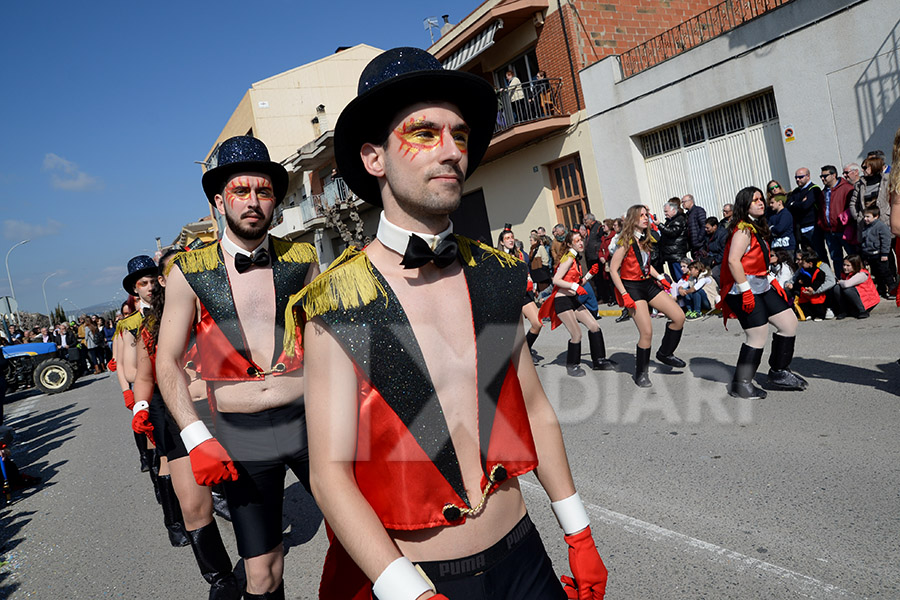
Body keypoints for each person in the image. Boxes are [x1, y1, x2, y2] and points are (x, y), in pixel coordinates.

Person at [299, 47, 607, 600]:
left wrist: (578, 531)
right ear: (374, 159)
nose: (450, 151)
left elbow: (532, 410)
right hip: (420, 579)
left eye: (459, 135)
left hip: (524, 555)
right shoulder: (335, 300)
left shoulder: (495, 273)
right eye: (423, 132)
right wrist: (407, 593)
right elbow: (329, 474)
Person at [156, 136, 320, 600]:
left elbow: (331, 341)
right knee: (263, 573)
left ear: (275, 202)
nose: (253, 202)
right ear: (218, 201)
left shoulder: (303, 259)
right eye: (240, 191)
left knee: (367, 535)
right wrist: (195, 436)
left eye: (263, 192)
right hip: (241, 433)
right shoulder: (188, 271)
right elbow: (166, 360)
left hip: (310, 421)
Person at [131, 249, 241, 599]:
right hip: (177, 417)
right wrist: (141, 406)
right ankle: (220, 578)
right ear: (165, 281)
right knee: (194, 506)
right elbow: (145, 376)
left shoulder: (222, 309)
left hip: (227, 410)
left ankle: (260, 557)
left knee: (247, 494)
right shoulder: (150, 327)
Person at [718, 187, 807, 399]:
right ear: (744, 206)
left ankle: (778, 371)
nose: (761, 203)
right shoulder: (742, 229)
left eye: (761, 199)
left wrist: (770, 279)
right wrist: (746, 292)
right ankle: (741, 383)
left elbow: (758, 260)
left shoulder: (755, 225)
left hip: (760, 284)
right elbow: (733, 261)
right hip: (742, 288)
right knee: (757, 335)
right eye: (755, 200)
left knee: (788, 323)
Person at [609, 205, 686, 387]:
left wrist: (661, 277)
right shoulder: (625, 241)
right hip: (632, 287)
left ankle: (665, 353)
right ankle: (640, 373)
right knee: (647, 332)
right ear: (632, 219)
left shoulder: (645, 239)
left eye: (646, 215)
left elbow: (644, 264)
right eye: (641, 215)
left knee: (679, 317)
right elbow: (613, 270)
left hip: (647, 284)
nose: (645, 218)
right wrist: (624, 294)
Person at [539, 230, 615, 376]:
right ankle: (572, 365)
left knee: (594, 326)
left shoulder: (575, 259)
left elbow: (578, 282)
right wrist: (575, 287)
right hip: (562, 301)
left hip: (573, 299)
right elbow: (556, 280)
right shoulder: (568, 258)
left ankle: (599, 360)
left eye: (581, 239)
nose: (581, 242)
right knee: (577, 334)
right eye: (577, 241)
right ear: (569, 244)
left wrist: (589, 274)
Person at [114, 256, 160, 477]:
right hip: (150, 390)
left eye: (153, 281)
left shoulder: (174, 310)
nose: (150, 287)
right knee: (159, 450)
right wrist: (128, 392)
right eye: (144, 283)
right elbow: (126, 367)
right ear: (135, 288)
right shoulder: (129, 324)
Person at [499, 228, 545, 361]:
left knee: (537, 323)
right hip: (510, 297)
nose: (511, 240)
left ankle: (526, 349)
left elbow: (526, 271)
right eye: (507, 238)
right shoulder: (499, 257)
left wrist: (530, 281)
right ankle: (517, 356)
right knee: (515, 331)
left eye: (512, 237)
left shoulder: (519, 254)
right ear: (502, 242)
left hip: (524, 294)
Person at [786, 167, 827, 262]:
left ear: (808, 176)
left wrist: (795, 204)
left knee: (819, 254)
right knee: (807, 257)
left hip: (813, 228)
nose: (797, 180)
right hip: (800, 228)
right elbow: (788, 206)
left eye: (800, 177)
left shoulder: (814, 189)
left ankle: (825, 275)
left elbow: (806, 206)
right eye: (796, 177)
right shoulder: (796, 191)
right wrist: (798, 204)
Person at [818, 165, 855, 267]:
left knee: (852, 257)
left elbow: (852, 208)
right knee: (836, 258)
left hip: (844, 230)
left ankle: (859, 280)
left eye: (825, 176)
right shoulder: (823, 192)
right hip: (829, 232)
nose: (822, 178)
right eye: (821, 176)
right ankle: (839, 280)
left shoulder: (847, 188)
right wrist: (822, 223)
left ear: (834, 175)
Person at [790, 250, 837, 321]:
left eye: (799, 260)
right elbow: (793, 279)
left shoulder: (822, 266)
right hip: (807, 291)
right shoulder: (803, 268)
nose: (797, 262)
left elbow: (831, 281)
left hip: (820, 291)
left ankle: (828, 308)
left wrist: (814, 291)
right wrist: (789, 284)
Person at [859, 206, 896, 298]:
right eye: (864, 217)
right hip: (870, 255)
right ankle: (881, 289)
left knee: (885, 273)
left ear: (876, 217)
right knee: (876, 274)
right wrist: (865, 256)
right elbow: (864, 242)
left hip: (880, 255)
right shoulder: (865, 227)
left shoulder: (881, 226)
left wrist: (884, 253)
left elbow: (886, 241)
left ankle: (892, 289)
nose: (865, 219)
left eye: (868, 217)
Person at [831, 255, 879, 319]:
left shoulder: (862, 274)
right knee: (837, 288)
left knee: (847, 289)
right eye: (844, 265)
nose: (845, 267)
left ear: (855, 265)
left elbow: (846, 284)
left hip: (868, 301)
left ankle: (863, 311)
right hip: (856, 299)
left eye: (848, 265)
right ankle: (843, 311)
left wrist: (840, 282)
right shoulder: (845, 273)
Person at [657, 199, 689, 281]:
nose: (665, 214)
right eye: (664, 211)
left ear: (674, 210)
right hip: (670, 254)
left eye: (666, 211)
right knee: (675, 278)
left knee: (681, 278)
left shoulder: (679, 219)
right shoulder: (669, 221)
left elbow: (672, 232)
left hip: (676, 254)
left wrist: (659, 225)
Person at [681, 194, 708, 260]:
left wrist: (699, 239)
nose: (682, 204)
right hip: (693, 246)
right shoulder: (687, 214)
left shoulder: (698, 211)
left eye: (684, 202)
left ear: (691, 201)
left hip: (700, 245)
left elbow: (704, 225)